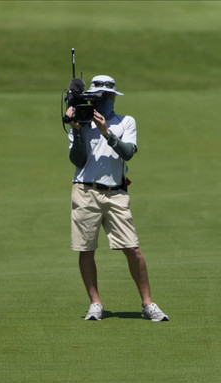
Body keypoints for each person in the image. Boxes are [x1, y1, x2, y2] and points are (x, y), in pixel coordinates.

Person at [65, 74, 168, 322]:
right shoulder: (81, 121)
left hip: (116, 193)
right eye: (98, 96)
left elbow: (128, 152)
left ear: (113, 97)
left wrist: (107, 132)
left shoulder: (125, 122)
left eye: (108, 96)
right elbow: (77, 161)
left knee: (132, 249)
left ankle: (148, 304)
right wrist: (78, 131)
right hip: (85, 190)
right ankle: (95, 304)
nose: (104, 100)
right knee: (86, 248)